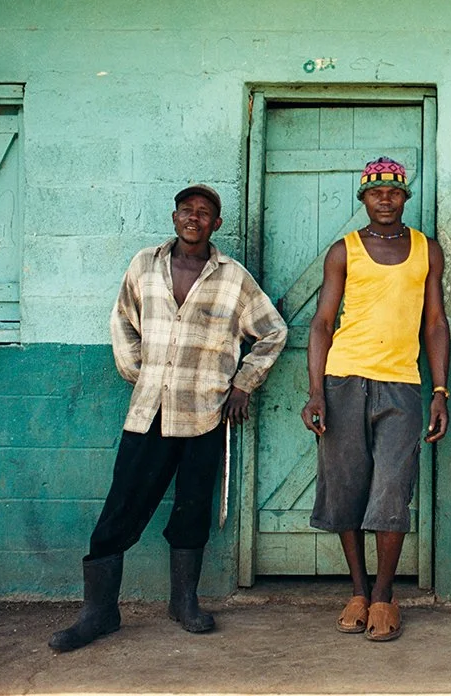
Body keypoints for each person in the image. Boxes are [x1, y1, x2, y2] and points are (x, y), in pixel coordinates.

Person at [49, 184, 288, 652]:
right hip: (148, 413)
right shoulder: (145, 265)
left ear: (216, 224)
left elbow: (272, 331)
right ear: (174, 216)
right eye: (186, 210)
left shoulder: (233, 278)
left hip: (204, 414)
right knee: (121, 507)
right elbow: (121, 320)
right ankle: (99, 612)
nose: (194, 218)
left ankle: (184, 602)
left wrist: (243, 383)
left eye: (204, 213)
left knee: (192, 508)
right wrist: (142, 373)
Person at [300, 157, 450, 643]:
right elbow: (322, 323)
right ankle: (359, 593)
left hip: (402, 384)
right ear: (363, 199)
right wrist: (316, 391)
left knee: (391, 489)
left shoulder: (428, 250)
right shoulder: (343, 251)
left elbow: (435, 323)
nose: (384, 200)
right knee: (346, 488)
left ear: (405, 197)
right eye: (375, 193)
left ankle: (385, 597)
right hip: (344, 378)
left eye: (394, 192)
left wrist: (440, 391)